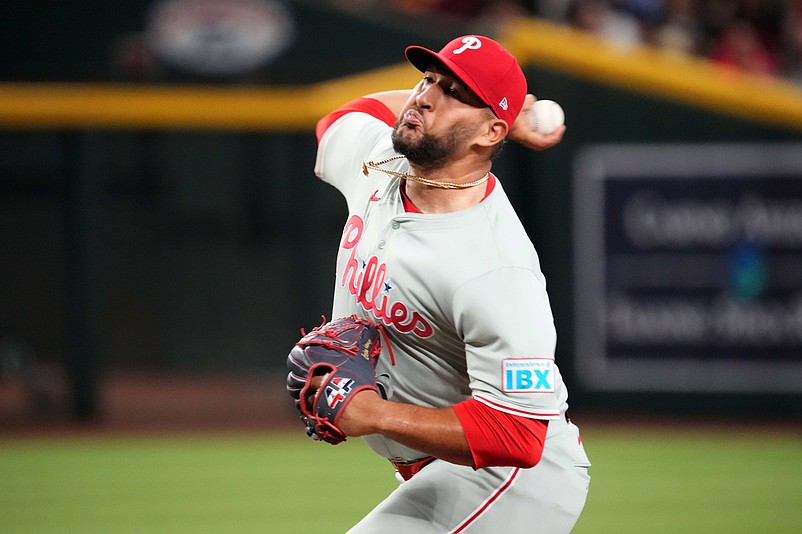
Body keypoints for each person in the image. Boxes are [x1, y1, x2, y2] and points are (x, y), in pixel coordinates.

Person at [311, 34, 590, 533]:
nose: (423, 96)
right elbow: (338, 119)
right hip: (436, 476)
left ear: (490, 133)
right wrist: (475, 117)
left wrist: (373, 414)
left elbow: (519, 435)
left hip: (512, 481)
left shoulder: (496, 268)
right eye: (427, 80)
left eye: (455, 93)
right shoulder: (380, 161)